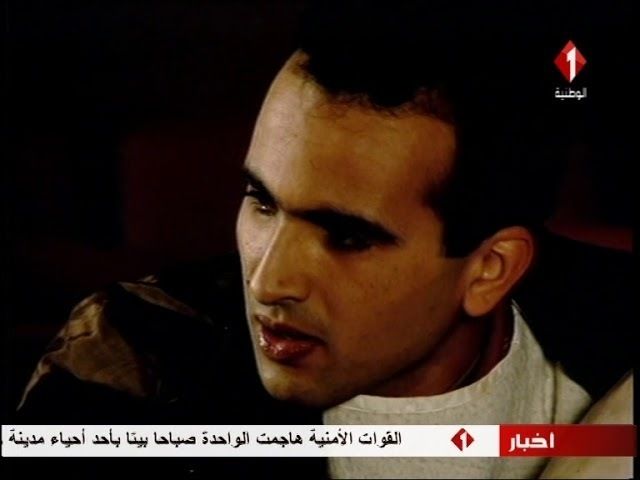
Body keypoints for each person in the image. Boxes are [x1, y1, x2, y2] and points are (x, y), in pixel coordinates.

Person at [15, 2, 632, 478]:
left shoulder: (613, 333)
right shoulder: (133, 366)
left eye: (347, 237)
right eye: (261, 201)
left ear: (490, 269)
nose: (268, 281)